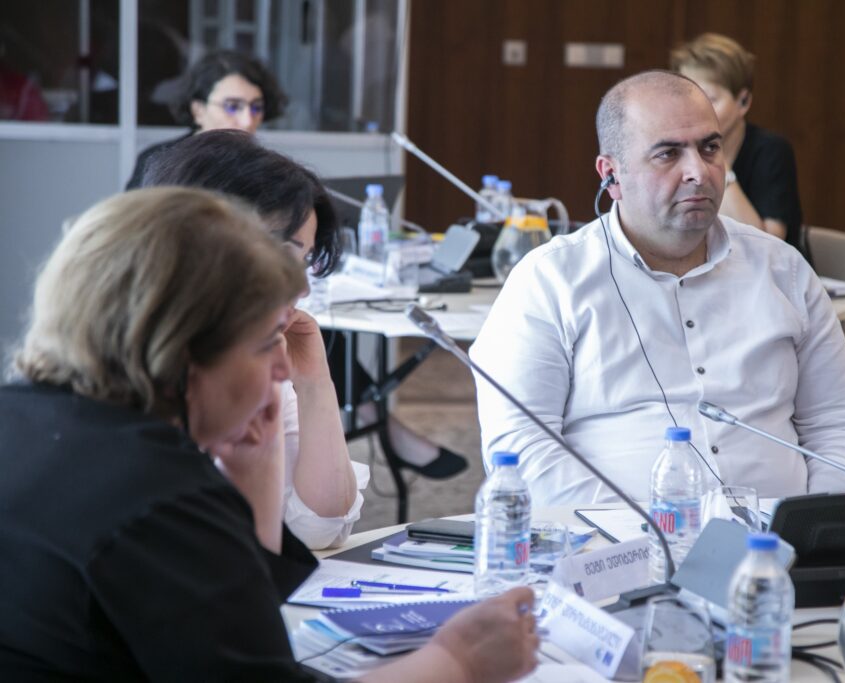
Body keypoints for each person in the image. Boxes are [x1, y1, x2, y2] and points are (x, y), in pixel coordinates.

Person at [0, 187, 538, 682]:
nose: (281, 370)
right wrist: (457, 661)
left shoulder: (28, 418)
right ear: (182, 353)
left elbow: (239, 618)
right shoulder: (160, 496)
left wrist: (253, 472)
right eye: (264, 344)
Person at [470, 70, 845, 506]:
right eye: (667, 154)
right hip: (613, 539)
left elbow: (839, 423)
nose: (698, 172)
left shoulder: (783, 269)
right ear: (611, 175)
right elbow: (522, 448)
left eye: (710, 148)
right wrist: (641, 531)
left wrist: (818, 524)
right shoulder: (550, 279)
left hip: (776, 539)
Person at [140, 131, 464, 551]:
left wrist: (314, 384)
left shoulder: (253, 356)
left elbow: (319, 528)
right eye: (285, 255)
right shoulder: (127, 377)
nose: (302, 287)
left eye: (305, 261)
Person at [671, 33, 811, 262]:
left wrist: (719, 163)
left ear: (743, 101)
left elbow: (767, 247)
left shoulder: (771, 151)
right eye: (689, 100)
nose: (697, 111)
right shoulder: (678, 151)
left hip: (776, 275)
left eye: (710, 100)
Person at [125, 49, 287, 189]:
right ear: (198, 110)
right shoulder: (159, 162)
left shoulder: (267, 171)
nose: (248, 121)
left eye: (256, 107)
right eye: (232, 106)